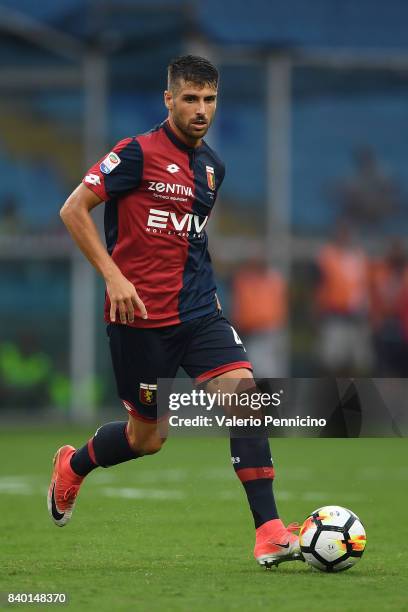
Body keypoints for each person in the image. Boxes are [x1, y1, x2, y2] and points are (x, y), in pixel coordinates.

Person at [48, 55, 301, 567]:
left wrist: (209, 296)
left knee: (246, 398)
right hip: (139, 322)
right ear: (169, 100)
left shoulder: (213, 169)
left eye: (209, 99)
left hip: (199, 315)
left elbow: (189, 240)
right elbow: (72, 209)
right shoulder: (135, 154)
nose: (200, 109)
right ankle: (73, 465)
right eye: (190, 99)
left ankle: (269, 530)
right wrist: (114, 276)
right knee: (148, 439)